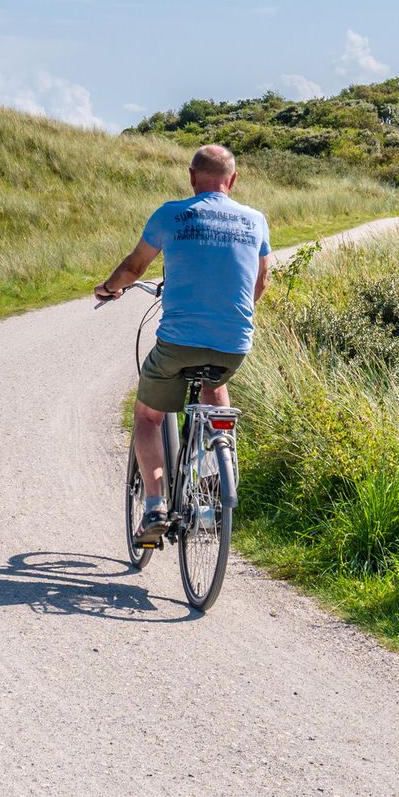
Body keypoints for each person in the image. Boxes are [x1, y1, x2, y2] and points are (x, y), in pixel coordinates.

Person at [95, 144, 270, 545]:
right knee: (214, 382)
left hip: (177, 344)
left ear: (192, 177)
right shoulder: (255, 220)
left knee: (148, 417)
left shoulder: (171, 214)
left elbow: (134, 268)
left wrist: (108, 288)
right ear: (234, 180)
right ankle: (218, 450)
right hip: (233, 345)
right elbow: (260, 283)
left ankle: (155, 505)